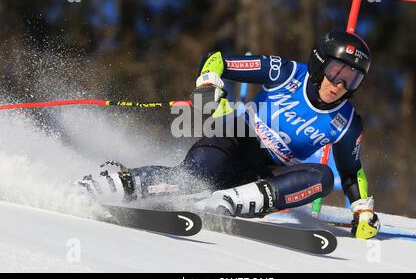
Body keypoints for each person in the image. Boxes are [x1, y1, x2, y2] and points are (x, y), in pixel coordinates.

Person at [78, 30, 381, 239]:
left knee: (322, 177)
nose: (340, 84)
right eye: (337, 71)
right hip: (235, 138)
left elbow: (351, 172)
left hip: (263, 173)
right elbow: (219, 60)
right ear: (320, 63)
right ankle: (114, 184)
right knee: (194, 179)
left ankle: (231, 202)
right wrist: (209, 85)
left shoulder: (347, 122)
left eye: (352, 79)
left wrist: (362, 211)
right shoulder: (286, 73)